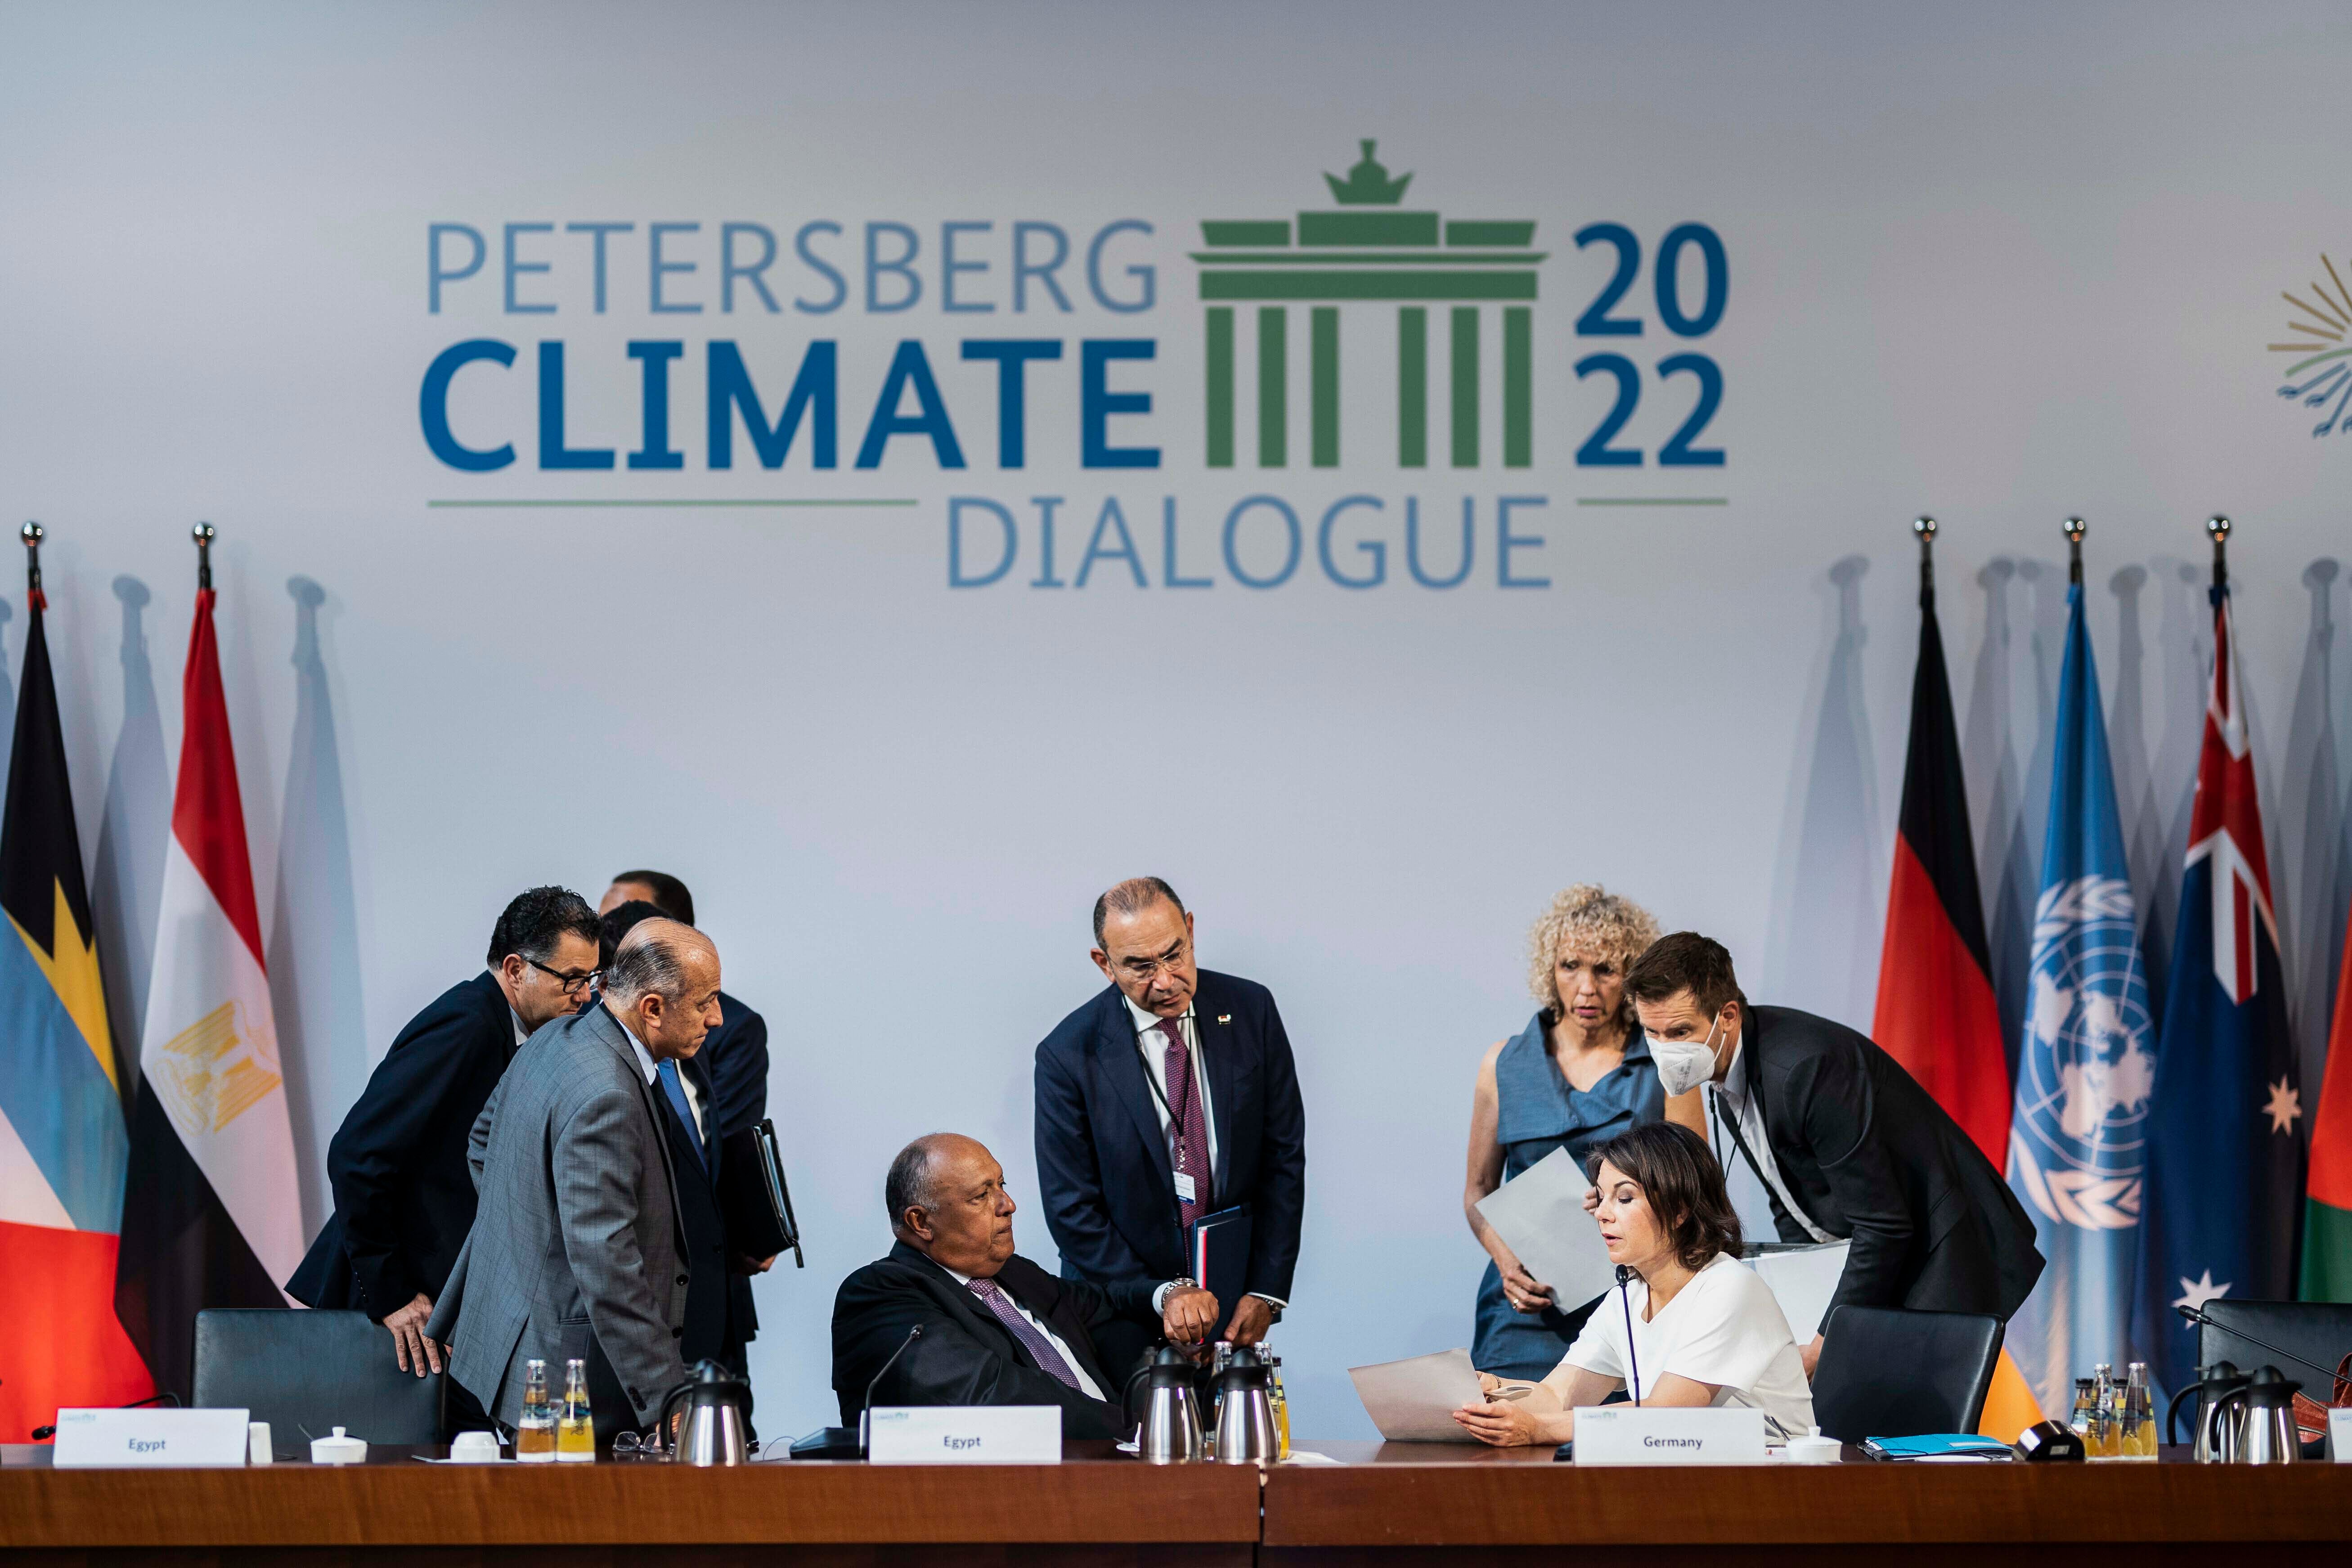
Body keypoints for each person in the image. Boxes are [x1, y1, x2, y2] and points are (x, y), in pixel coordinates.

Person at [1624, 931, 2044, 1377]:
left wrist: (1827, 1339)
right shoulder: (1730, 1074)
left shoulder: (1804, 1070)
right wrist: (1803, 1305)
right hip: (1889, 1259)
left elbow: (1883, 1223)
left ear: (1726, 1015)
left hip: (1944, 1255)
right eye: (1652, 1032)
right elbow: (1790, 1199)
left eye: (1680, 1031)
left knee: (1902, 1441)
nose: (1665, 1049)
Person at [287, 886, 601, 1392]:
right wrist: (391, 1294)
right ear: (517, 969)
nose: (585, 995)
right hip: (394, 1312)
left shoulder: (509, 1028)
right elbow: (356, 1153)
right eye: (572, 979)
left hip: (436, 1309)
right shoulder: (467, 1024)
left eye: (591, 978)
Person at [426, 919, 721, 1444]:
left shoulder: (557, 1039)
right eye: (706, 1002)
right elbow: (605, 1259)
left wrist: (529, 1246)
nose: (716, 1018)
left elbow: (482, 1143)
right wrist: (665, 1396)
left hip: (523, 1349)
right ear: (652, 1008)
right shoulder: (606, 1093)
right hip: (569, 1382)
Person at [1034, 877, 1307, 1375]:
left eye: (1174, 954)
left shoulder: (1252, 1010)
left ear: (1190, 930)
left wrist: (1265, 1290)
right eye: (1140, 966)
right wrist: (1165, 1294)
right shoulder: (1067, 1055)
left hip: (1230, 1305)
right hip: (1120, 1310)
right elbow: (1071, 1209)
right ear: (1104, 964)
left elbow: (1282, 1157)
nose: (1165, 980)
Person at [1463, 885, 1705, 1381]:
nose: (1586, 988)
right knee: (1508, 1440)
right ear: (1549, 970)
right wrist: (1504, 1258)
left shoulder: (1664, 1062)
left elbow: (1695, 1185)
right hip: (1525, 1301)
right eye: (1570, 965)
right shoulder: (1502, 1062)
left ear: (1631, 976)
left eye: (1605, 969)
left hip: (1634, 1296)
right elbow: (1478, 1189)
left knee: (1622, 1448)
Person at [831, 1133, 1220, 1438]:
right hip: (995, 1503)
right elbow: (993, 1394)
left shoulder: (1015, 1274)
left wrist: (1171, 1294)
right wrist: (1135, 1430)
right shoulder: (878, 1295)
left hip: (1111, 1469)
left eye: (1001, 1184)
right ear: (921, 1222)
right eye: (982, 1196)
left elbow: (1103, 1300)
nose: (1008, 1204)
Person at [1454, 1121, 1814, 1446]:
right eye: (1601, 1197)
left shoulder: (1730, 1287)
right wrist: (1491, 1393)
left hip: (1777, 1481)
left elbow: (1668, 1413)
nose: (1602, 1213)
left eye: (1624, 1198)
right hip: (1688, 1475)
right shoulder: (1626, 1297)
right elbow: (1555, 1395)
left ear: (1679, 1210)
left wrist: (1539, 1428)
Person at [598, 899, 771, 1398]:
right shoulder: (596, 1069)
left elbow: (721, 1154)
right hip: (641, 1317)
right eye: (704, 1002)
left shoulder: (687, 1046)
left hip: (712, 1296)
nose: (715, 1017)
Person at [598, 869, 769, 1139]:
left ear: (673, 931)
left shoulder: (733, 1030)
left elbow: (732, 1156)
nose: (603, 938)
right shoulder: (580, 1024)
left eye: (629, 923)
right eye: (603, 922)